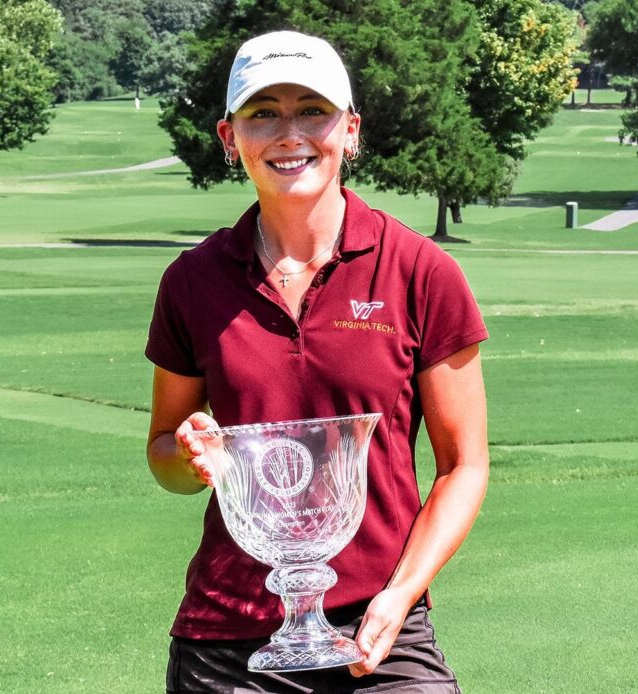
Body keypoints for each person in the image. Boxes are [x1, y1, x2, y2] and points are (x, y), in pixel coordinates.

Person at [145, 30, 489, 693]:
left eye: (312, 110)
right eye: (262, 112)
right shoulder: (192, 280)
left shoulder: (420, 271)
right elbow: (165, 451)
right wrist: (186, 456)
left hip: (380, 625)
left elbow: (464, 465)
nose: (289, 133)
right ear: (229, 135)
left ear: (350, 129)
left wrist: (401, 596)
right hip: (231, 636)